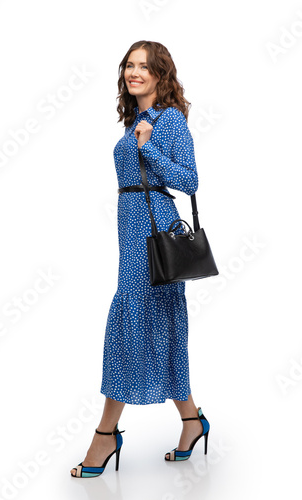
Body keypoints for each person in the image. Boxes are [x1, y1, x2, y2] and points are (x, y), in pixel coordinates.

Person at [70, 40, 210, 478]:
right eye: (129, 65)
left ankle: (105, 435)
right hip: (131, 230)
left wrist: (147, 147)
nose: (134, 73)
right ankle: (192, 421)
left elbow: (190, 180)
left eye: (144, 67)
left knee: (131, 324)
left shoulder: (168, 121)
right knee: (153, 324)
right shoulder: (135, 119)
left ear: (160, 74)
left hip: (156, 233)